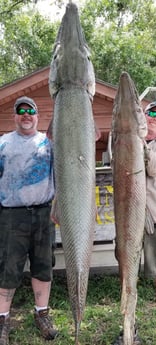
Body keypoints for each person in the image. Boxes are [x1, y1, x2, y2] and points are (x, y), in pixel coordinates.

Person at [113, 100, 156, 345]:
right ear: (142, 115)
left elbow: (154, 167)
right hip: (129, 218)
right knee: (126, 275)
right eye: (150, 112)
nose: (154, 118)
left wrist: (138, 143)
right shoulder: (126, 140)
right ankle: (129, 328)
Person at [0, 96, 58, 345]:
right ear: (14, 116)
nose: (26, 115)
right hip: (12, 215)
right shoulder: (3, 143)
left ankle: (41, 314)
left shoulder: (50, 143)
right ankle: (2, 319)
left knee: (43, 266)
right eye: (21, 111)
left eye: (30, 111)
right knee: (7, 268)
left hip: (45, 213)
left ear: (37, 115)